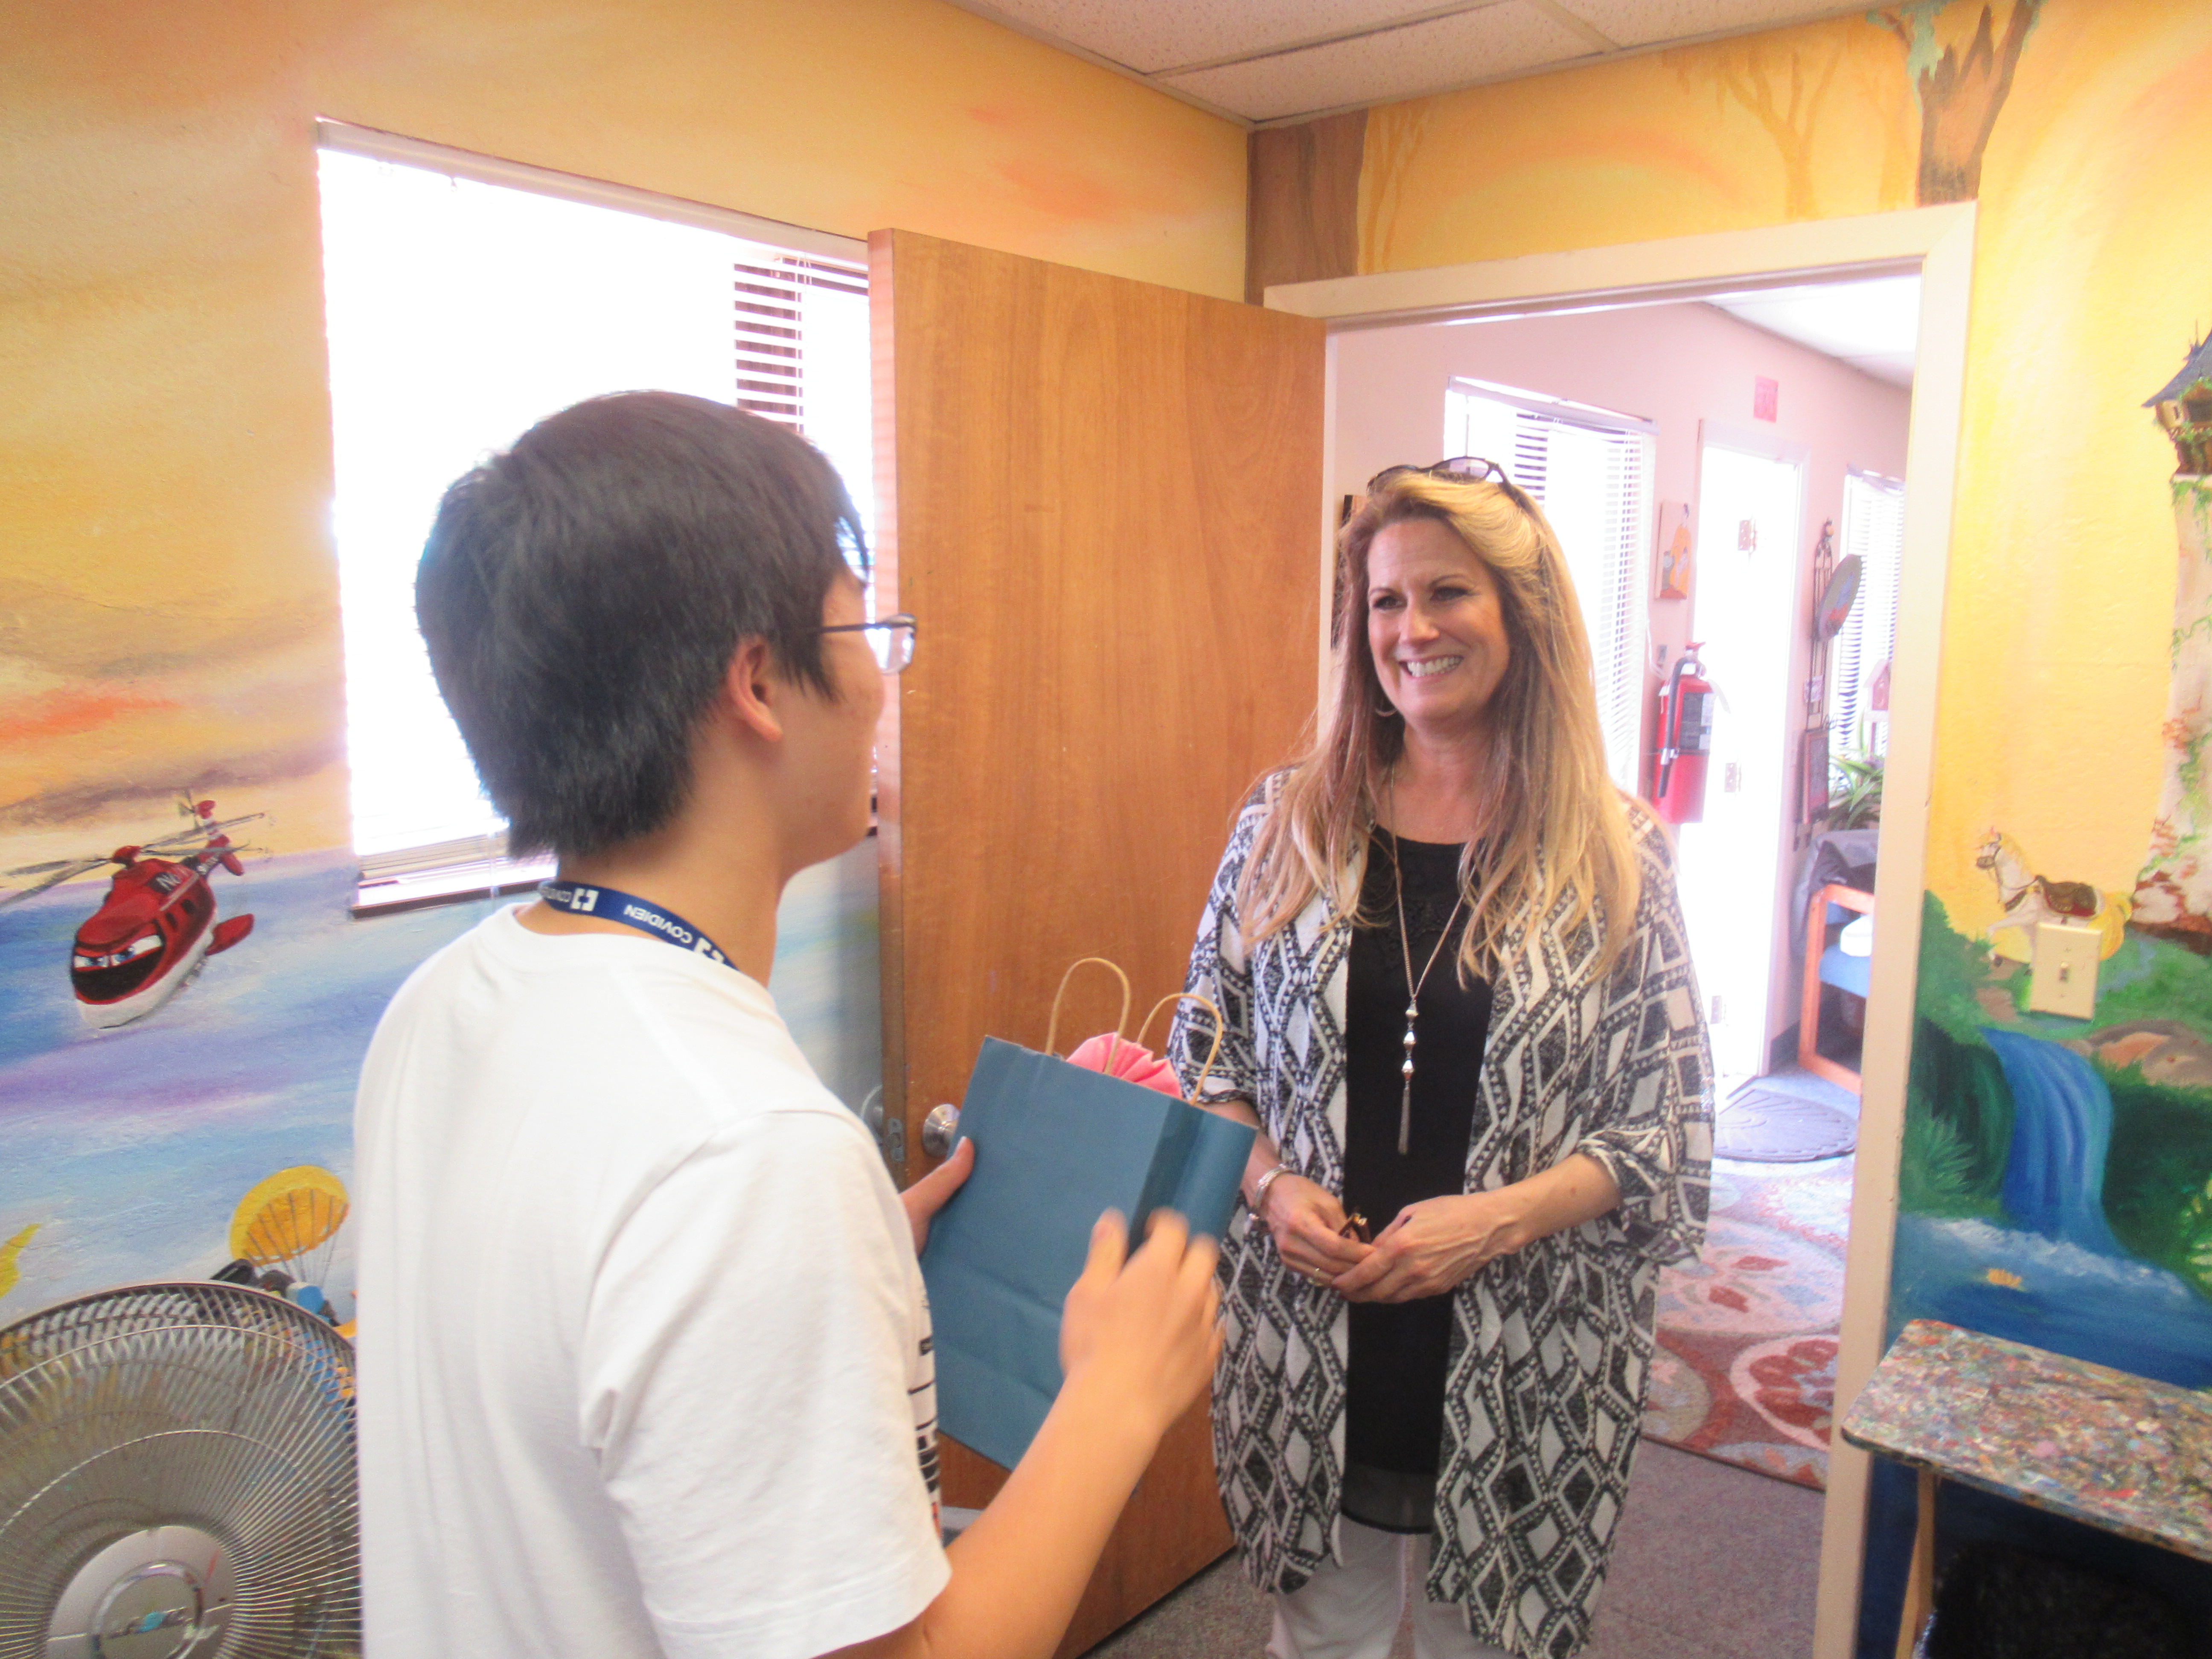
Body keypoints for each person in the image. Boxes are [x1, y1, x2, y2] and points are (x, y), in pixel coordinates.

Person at [354, 390, 1221, 1659]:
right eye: (864, 628)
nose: (880, 683)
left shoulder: (447, 1001)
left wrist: (843, 1257)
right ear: (759, 681)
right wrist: (1117, 1400)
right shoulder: (748, 1156)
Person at [1168, 460, 1711, 1659]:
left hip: (1527, 1348)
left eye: (1447, 593)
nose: (1411, 629)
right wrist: (1268, 1184)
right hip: (1310, 1340)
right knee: (1322, 1640)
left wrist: (1496, 1222)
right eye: (1384, 601)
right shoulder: (1286, 824)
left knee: (1492, 1643)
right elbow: (1206, 1053)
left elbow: (1661, 1123)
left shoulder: (1613, 852)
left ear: (1524, 613)